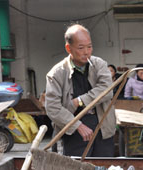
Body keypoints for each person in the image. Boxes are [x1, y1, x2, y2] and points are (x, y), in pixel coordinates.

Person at [45, 24, 116, 157]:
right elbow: (52, 108)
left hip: (103, 128)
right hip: (74, 132)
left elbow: (107, 90)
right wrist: (77, 126)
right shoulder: (56, 74)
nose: (86, 52)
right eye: (81, 48)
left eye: (89, 47)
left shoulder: (99, 64)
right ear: (68, 48)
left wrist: (79, 101)